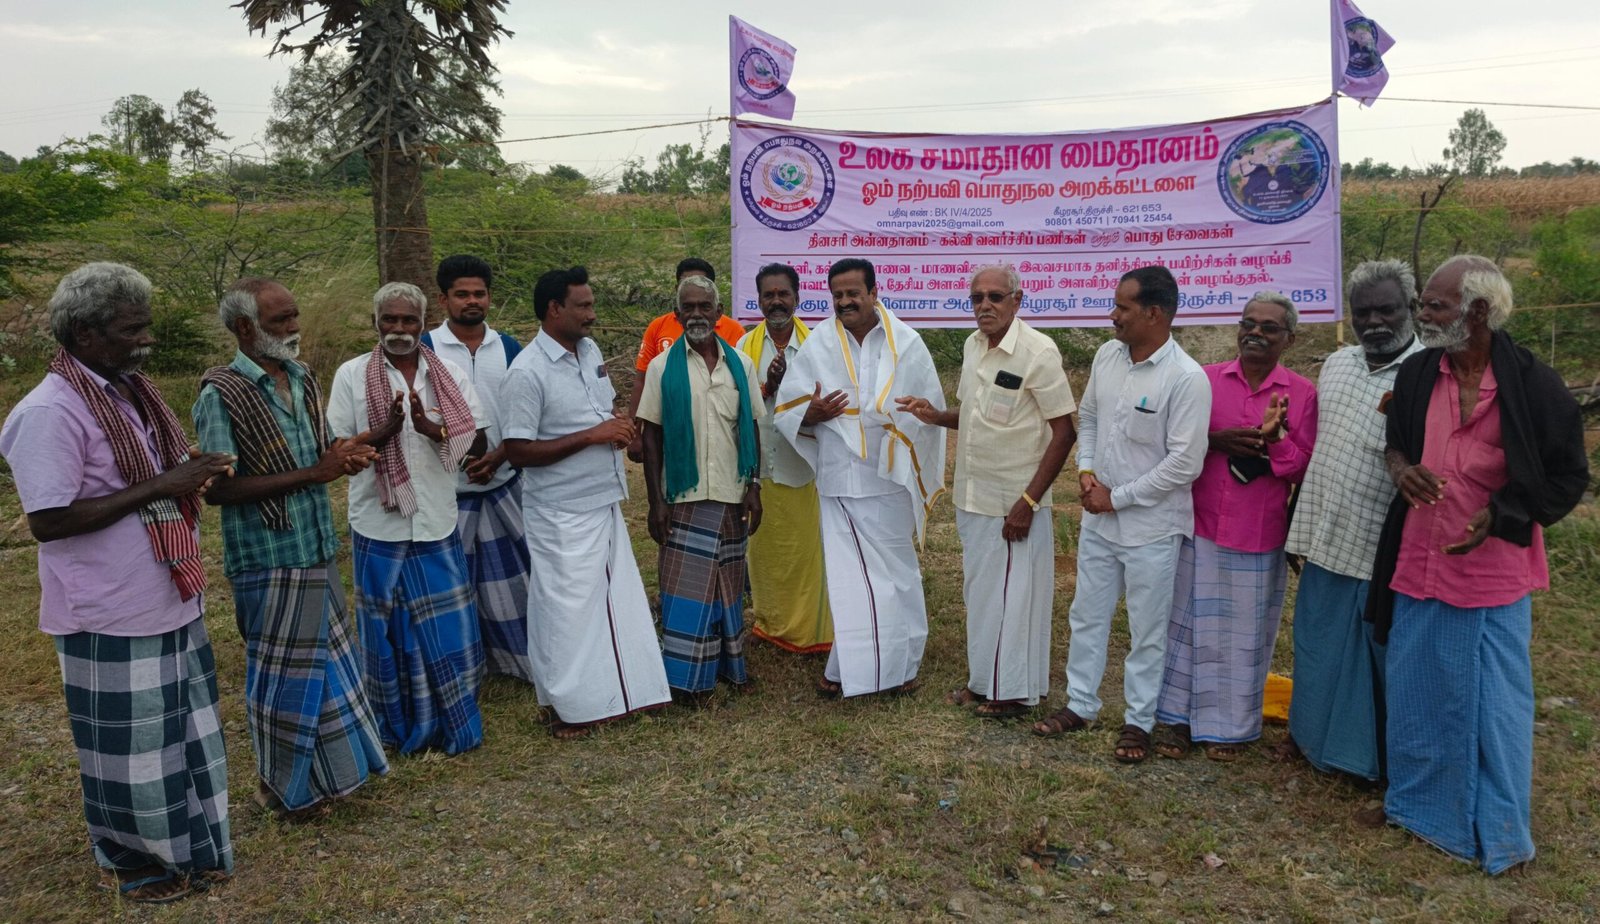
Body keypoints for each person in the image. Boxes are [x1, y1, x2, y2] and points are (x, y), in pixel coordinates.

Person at [0, 263, 236, 903]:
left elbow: (141, 474)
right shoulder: (49, 411)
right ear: (84, 332)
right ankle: (138, 863)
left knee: (180, 734)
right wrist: (163, 484)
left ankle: (192, 849)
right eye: (132, 330)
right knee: (127, 751)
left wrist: (187, 469)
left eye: (146, 326)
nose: (146, 340)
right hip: (107, 607)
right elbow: (48, 521)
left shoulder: (127, 391)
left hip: (166, 590)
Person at [1367, 255, 1588, 875]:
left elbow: (1568, 476)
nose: (1422, 315)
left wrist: (1504, 514)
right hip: (1419, 560)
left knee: (1492, 703)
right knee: (1417, 690)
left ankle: (1497, 829)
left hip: (1490, 573)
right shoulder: (1419, 372)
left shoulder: (1535, 387)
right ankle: (1418, 811)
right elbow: (1394, 445)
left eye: (1435, 306)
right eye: (1424, 303)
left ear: (1479, 311)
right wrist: (1402, 471)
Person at [194, 278, 389, 819]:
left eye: (293, 315)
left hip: (315, 545)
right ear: (244, 328)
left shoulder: (301, 377)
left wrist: (345, 454)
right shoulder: (221, 394)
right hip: (267, 555)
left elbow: (321, 450)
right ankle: (283, 793)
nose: (293, 327)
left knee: (324, 669)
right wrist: (316, 473)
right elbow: (218, 489)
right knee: (282, 680)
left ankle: (332, 779)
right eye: (279, 320)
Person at [1033, 265, 1211, 764]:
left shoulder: (1186, 378)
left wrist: (1119, 497)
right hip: (1100, 517)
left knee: (1147, 630)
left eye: (1122, 307)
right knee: (1086, 614)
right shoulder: (1107, 356)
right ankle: (1080, 705)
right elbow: (1089, 418)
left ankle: (1139, 721)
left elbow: (1185, 463)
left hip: (1152, 527)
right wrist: (1087, 470)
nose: (1112, 316)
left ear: (1153, 314)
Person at [897, 264, 1077, 719]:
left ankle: (1011, 693)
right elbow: (974, 414)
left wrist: (1028, 502)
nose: (985, 306)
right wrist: (935, 416)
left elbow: (1064, 432)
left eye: (995, 297)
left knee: (1014, 598)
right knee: (981, 595)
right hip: (973, 495)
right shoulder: (973, 346)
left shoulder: (1038, 351)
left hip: (1013, 503)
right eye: (977, 298)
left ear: (1017, 301)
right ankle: (983, 682)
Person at [502, 266, 672, 738]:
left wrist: (615, 424)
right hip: (560, 510)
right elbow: (517, 451)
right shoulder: (526, 373)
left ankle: (623, 693)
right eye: (584, 306)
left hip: (602, 499)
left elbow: (596, 408)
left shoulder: (590, 350)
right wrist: (593, 435)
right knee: (566, 612)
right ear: (554, 309)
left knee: (614, 602)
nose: (592, 314)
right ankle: (571, 707)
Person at [326, 281, 489, 755]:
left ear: (423, 323)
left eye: (408, 320)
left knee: (448, 629)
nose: (399, 329)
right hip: (380, 522)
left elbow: (478, 443)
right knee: (387, 632)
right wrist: (385, 431)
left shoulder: (449, 373)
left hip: (436, 518)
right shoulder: (351, 375)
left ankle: (453, 722)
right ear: (375, 323)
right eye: (390, 320)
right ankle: (395, 727)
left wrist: (429, 429)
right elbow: (337, 449)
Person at [1153, 292, 1317, 761]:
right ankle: (1174, 720)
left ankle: (1227, 730)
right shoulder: (1204, 380)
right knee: (1183, 625)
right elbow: (1169, 441)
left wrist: (1276, 440)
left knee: (1242, 635)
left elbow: (1303, 469)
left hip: (1256, 532)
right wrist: (1214, 440)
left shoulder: (1302, 394)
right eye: (1249, 323)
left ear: (1289, 339)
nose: (1256, 333)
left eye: (1269, 327)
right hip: (1197, 523)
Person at [772, 258, 946, 698]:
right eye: (838, 295)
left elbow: (930, 411)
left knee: (898, 575)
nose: (845, 301)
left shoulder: (907, 343)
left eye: (853, 293)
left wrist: (899, 423)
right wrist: (811, 413)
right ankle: (848, 668)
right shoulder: (819, 344)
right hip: (839, 479)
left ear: (873, 292)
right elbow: (787, 410)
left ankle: (903, 665)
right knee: (850, 583)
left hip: (889, 479)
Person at [1280, 260, 1424, 781]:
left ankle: (1367, 760)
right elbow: (1322, 448)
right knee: (1316, 642)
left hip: (1381, 543)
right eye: (1362, 313)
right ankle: (1309, 739)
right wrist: (1298, 521)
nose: (1374, 322)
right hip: (1324, 532)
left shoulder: (1427, 373)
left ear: (1411, 308)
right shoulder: (1337, 364)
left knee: (1373, 654)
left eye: (1386, 310)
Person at [638, 275, 765, 702]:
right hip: (682, 497)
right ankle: (685, 680)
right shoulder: (661, 367)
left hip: (731, 493)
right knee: (685, 590)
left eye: (704, 306)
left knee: (728, 587)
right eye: (688, 307)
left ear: (718, 312)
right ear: (677, 315)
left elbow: (751, 427)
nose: (696, 314)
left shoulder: (740, 364)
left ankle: (729, 667)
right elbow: (651, 437)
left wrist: (755, 486)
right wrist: (656, 501)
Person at [421, 255, 533, 683]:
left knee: (513, 581)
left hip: (504, 482)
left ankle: (513, 660)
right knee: (451, 587)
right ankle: (462, 670)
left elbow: (524, 413)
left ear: (489, 297)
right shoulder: (426, 349)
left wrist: (499, 455)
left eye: (479, 294)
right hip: (447, 492)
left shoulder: (508, 348)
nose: (472, 301)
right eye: (462, 294)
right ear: (443, 300)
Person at [736, 263, 832, 653]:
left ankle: (809, 630)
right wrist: (769, 387)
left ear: (797, 298)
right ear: (758, 300)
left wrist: (803, 405)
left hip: (804, 466)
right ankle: (770, 624)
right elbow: (737, 406)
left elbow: (833, 400)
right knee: (764, 554)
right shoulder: (743, 348)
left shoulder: (819, 346)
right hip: (760, 468)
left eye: (783, 294)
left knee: (806, 553)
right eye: (768, 295)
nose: (776, 301)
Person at [624, 258, 746, 461]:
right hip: (668, 433)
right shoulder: (658, 327)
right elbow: (642, 381)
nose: (694, 288)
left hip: (721, 436)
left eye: (701, 284)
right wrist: (636, 433)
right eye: (686, 283)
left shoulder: (734, 331)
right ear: (676, 289)